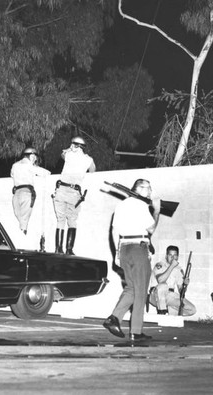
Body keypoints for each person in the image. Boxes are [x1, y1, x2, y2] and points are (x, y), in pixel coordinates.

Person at [103, 179, 161, 341]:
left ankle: (114, 318)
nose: (150, 191)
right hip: (138, 249)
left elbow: (114, 231)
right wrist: (156, 212)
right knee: (141, 291)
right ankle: (136, 331)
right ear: (138, 189)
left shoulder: (121, 205)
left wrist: (117, 253)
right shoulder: (141, 206)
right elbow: (151, 229)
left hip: (124, 248)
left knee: (131, 288)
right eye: (147, 188)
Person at [52, 136, 95, 255]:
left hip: (61, 190)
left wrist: (69, 149)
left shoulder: (68, 155)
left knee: (60, 220)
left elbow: (62, 154)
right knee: (72, 221)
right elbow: (93, 170)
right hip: (74, 192)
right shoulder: (88, 159)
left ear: (75, 146)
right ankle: (69, 249)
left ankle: (58, 248)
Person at [10, 147, 51, 234]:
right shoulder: (29, 165)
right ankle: (23, 237)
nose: (35, 159)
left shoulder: (15, 165)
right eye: (35, 157)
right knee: (24, 220)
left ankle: (20, 236)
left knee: (19, 217)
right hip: (27, 193)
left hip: (16, 194)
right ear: (32, 156)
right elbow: (46, 173)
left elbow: (12, 175)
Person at [149, 245, 196, 317]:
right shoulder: (160, 265)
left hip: (170, 296)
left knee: (192, 309)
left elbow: (181, 290)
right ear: (166, 256)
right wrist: (172, 266)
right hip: (155, 296)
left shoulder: (178, 269)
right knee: (163, 286)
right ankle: (162, 314)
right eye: (170, 255)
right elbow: (160, 280)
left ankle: (171, 312)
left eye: (175, 255)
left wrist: (185, 285)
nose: (172, 257)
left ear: (177, 257)